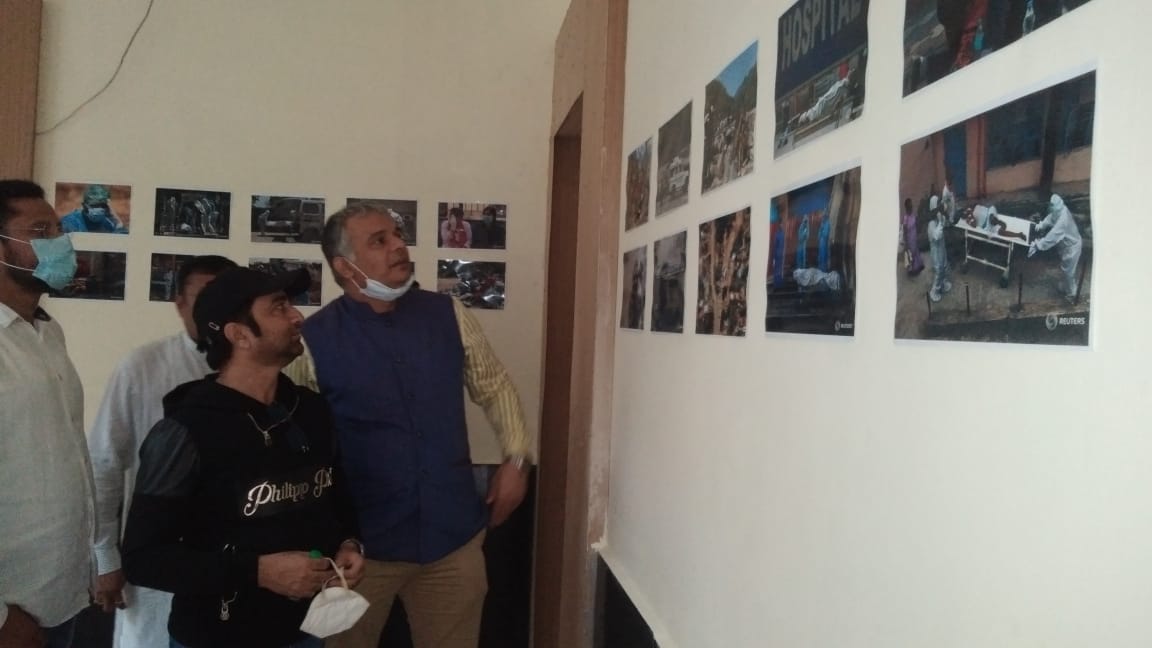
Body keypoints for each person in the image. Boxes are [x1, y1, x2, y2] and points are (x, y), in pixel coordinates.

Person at [289, 202, 532, 648]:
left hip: (452, 538)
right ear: (345, 266)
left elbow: (494, 386)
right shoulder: (312, 341)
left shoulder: (448, 315)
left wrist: (516, 459)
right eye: (379, 241)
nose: (399, 245)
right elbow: (296, 444)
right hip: (358, 550)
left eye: (396, 234)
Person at [121, 267, 365, 648]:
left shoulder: (311, 410)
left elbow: (336, 498)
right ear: (239, 335)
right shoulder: (185, 430)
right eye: (279, 308)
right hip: (215, 637)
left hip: (307, 633)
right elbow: (143, 559)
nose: (298, 317)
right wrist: (257, 572)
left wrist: (349, 544)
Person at [87, 255, 238, 648]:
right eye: (204, 297)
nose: (216, 310)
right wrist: (106, 559)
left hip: (235, 563)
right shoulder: (142, 367)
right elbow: (103, 463)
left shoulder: (266, 369)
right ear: (179, 304)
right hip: (158, 559)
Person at [0, 179, 94, 648]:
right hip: (12, 613)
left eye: (59, 229)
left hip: (63, 597)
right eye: (41, 230)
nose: (61, 243)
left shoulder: (46, 334)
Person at [1029, 193, 1083, 303]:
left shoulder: (1063, 220)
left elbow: (1052, 237)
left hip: (1072, 248)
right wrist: (1042, 224)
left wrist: (1039, 245)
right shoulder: (1060, 210)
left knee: (1068, 272)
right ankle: (1066, 286)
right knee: (1066, 269)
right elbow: (1051, 218)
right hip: (1066, 246)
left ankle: (1072, 293)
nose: (1051, 209)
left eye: (1052, 208)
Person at [60, 184, 127, 234]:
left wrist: (118, 223)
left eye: (102, 205)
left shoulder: (107, 223)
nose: (98, 209)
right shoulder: (70, 222)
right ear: (84, 205)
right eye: (94, 206)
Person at [927, 196, 952, 302]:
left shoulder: (938, 217)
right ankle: (934, 291)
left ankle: (943, 283)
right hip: (935, 249)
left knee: (945, 265)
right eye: (938, 206)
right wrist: (941, 222)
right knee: (939, 270)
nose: (940, 207)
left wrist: (944, 217)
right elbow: (936, 236)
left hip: (941, 245)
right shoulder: (931, 224)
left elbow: (946, 224)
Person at [901, 198, 924, 276]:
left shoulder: (912, 215)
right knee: (912, 253)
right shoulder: (905, 218)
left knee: (916, 251)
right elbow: (904, 230)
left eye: (911, 206)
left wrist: (918, 233)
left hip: (914, 236)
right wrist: (906, 243)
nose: (911, 207)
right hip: (909, 238)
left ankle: (918, 266)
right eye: (910, 206)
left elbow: (916, 224)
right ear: (907, 207)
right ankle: (912, 270)